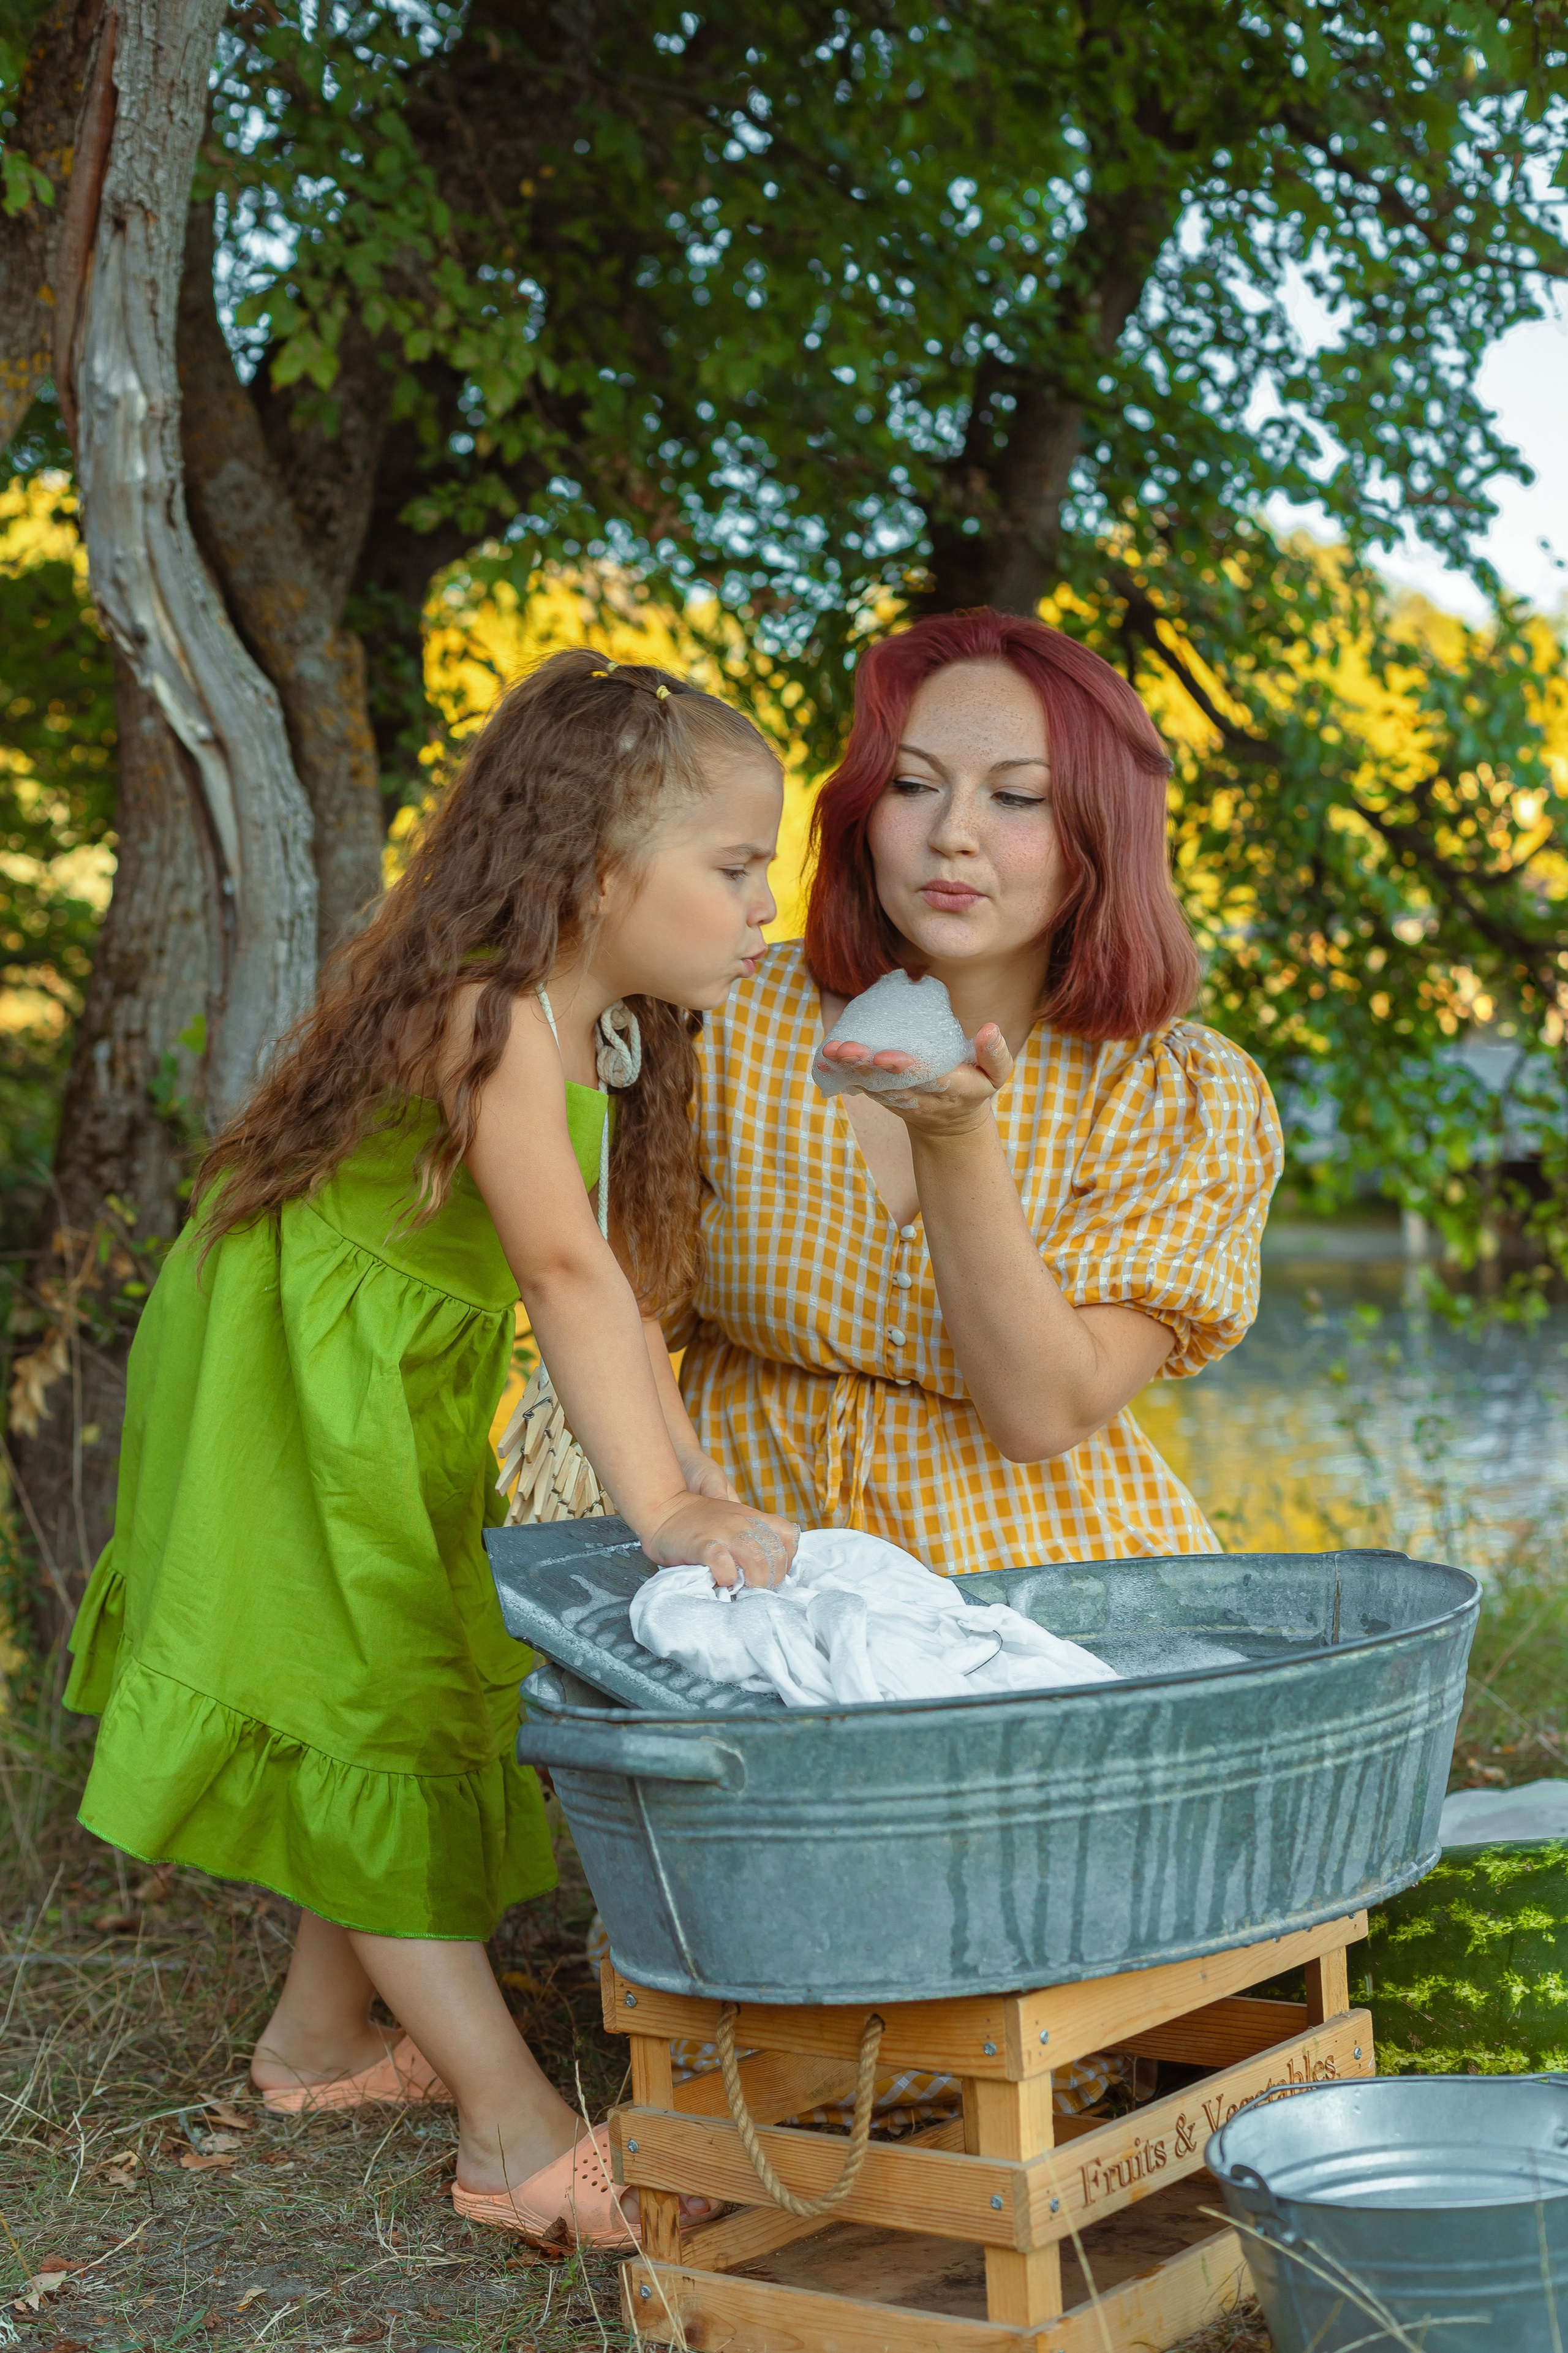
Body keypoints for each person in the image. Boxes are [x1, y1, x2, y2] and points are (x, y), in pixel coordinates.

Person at [64, 651, 797, 2249]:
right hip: (288, 1375)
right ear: (602, 870)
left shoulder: (591, 1027)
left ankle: (319, 2046)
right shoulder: (492, 1011)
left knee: (413, 1667)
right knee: (369, 1684)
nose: (764, 903)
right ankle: (511, 2131)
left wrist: (698, 1480)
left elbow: (621, 1302)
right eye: (736, 867)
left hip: (373, 1367)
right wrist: (659, 1505)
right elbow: (562, 1276)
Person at [676, 605, 1283, 1582]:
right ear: (864, 810)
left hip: (1038, 1616)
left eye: (1018, 799)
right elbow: (605, 1307)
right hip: (749, 1594)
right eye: (913, 786)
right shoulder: (725, 1018)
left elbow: (1042, 1411)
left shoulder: (1172, 1093)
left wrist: (956, 1135)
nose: (952, 835)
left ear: (1099, 830)